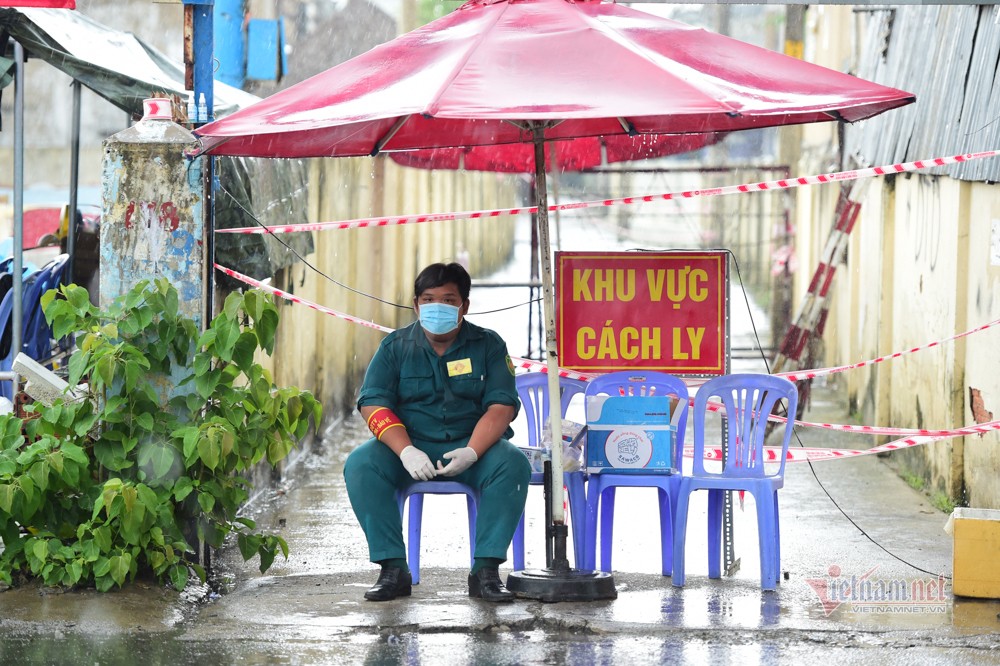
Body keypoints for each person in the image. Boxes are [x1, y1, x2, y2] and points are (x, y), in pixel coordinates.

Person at [344, 262, 530, 603]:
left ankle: (486, 571)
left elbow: (501, 406)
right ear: (416, 305)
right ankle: (393, 569)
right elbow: (373, 403)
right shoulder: (395, 347)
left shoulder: (488, 345)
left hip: (474, 448)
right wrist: (406, 451)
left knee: (513, 465)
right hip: (409, 447)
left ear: (464, 305)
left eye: (448, 300)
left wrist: (473, 450)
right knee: (360, 464)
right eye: (428, 300)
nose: (437, 308)